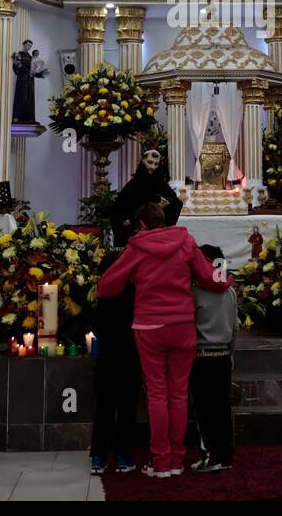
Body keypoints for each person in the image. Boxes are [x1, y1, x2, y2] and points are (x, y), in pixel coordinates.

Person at [97, 202, 231, 478]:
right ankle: (177, 459)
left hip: (149, 326)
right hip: (182, 325)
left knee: (157, 393)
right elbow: (209, 277)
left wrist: (133, 278)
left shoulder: (137, 247)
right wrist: (227, 279)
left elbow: (106, 286)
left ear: (143, 225)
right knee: (179, 394)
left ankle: (161, 462)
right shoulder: (186, 242)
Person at [89, 249, 139, 476]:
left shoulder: (103, 296)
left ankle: (99, 457)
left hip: (107, 357)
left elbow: (96, 327)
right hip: (130, 357)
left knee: (104, 409)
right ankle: (123, 456)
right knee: (127, 408)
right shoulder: (134, 293)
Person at [189, 243, 237, 472]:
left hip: (202, 355)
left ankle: (210, 455)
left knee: (204, 409)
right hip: (224, 354)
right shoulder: (230, 291)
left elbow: (190, 325)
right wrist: (231, 352)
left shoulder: (195, 291)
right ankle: (226, 454)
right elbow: (235, 328)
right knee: (222, 407)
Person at [109, 148, 181, 247]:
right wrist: (124, 219)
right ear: (143, 161)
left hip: (157, 231)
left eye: (156, 164)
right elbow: (119, 207)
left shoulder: (161, 183)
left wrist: (166, 205)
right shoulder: (134, 184)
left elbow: (175, 202)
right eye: (150, 162)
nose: (152, 167)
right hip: (137, 230)